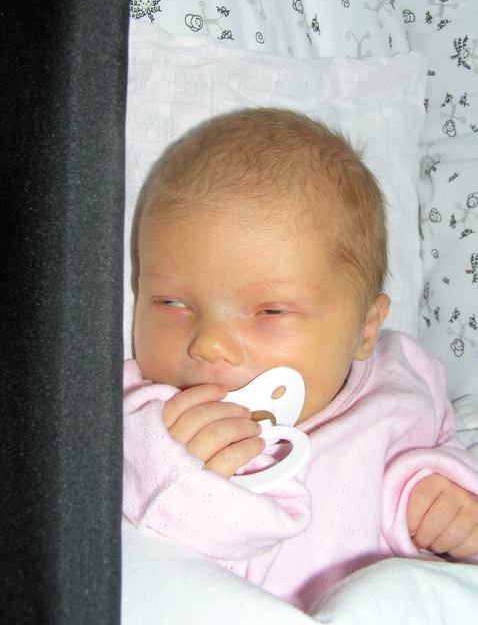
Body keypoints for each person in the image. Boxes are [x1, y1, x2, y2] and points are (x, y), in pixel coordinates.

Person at [123, 108, 478, 612]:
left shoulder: (401, 382)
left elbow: (443, 441)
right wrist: (177, 470)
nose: (209, 344)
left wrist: (436, 494)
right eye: (171, 303)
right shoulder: (140, 413)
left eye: (270, 311)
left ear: (364, 329)